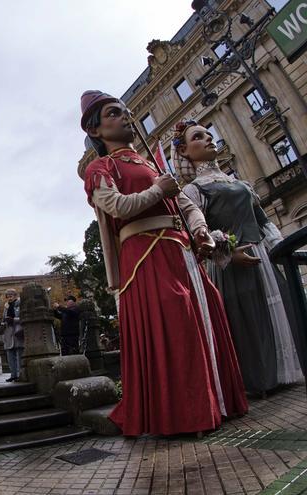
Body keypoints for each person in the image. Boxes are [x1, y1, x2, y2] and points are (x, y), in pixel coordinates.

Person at [80, 90, 247, 436]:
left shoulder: (150, 164)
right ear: (95, 130)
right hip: (144, 254)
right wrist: (158, 190)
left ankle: (218, 402)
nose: (125, 117)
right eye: (114, 113)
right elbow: (118, 207)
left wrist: (201, 230)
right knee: (176, 314)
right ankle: (183, 415)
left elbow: (186, 204)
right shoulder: (101, 167)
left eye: (126, 111)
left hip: (181, 251)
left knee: (208, 307)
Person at [175, 120, 303, 395]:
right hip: (229, 263)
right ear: (184, 151)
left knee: (279, 307)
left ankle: (285, 371)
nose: (209, 139)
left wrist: (283, 249)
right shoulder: (193, 190)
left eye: (210, 134)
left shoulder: (240, 183)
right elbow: (198, 233)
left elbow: (263, 221)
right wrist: (227, 253)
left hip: (263, 256)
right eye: (199, 137)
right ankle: (256, 379)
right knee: (246, 317)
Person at [2, 289, 24, 382]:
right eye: (8, 295)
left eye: (11, 295)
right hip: (8, 332)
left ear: (15, 295)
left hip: (18, 331)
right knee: (10, 354)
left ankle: (20, 374)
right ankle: (13, 374)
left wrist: (13, 320)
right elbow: (3, 318)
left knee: (19, 354)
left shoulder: (20, 304)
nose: (10, 297)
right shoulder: (6, 307)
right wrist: (3, 322)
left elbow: (23, 317)